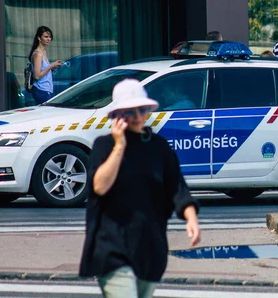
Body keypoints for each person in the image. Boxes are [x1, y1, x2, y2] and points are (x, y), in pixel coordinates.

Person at [79, 79, 201, 298]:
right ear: (116, 115)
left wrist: (191, 218)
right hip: (112, 247)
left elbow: (177, 188)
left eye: (141, 109)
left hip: (150, 248)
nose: (137, 116)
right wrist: (120, 146)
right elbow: (99, 186)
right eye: (129, 111)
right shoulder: (103, 145)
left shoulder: (159, 147)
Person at [28, 26, 62, 105]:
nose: (48, 39)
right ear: (39, 38)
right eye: (46, 37)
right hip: (41, 90)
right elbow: (37, 76)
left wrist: (53, 67)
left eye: (50, 37)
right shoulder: (38, 54)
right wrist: (51, 66)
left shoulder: (44, 52)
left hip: (46, 89)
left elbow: (44, 70)